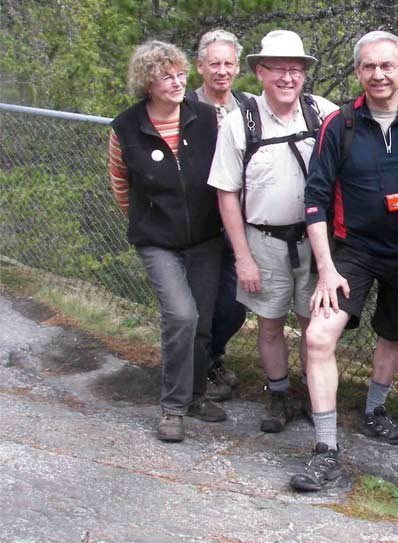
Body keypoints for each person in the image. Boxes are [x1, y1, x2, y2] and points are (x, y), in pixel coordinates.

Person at [290, 30, 398, 492]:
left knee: (391, 333)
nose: (378, 74)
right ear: (358, 72)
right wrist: (326, 268)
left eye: (387, 65)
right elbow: (314, 198)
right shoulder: (340, 126)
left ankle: (375, 411)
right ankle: (326, 450)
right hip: (351, 252)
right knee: (318, 336)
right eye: (369, 66)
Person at [207, 30, 338, 434]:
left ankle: (312, 396)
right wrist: (242, 255)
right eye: (278, 68)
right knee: (269, 323)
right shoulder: (238, 122)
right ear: (260, 71)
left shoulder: (324, 114)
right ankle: (279, 395)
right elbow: (227, 194)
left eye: (295, 69)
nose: (287, 77)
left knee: (311, 324)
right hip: (262, 241)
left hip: (315, 241)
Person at [108, 40, 226, 442]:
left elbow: (227, 175)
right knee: (180, 316)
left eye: (180, 75)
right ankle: (172, 408)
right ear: (148, 83)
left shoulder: (209, 118)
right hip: (158, 242)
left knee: (203, 323)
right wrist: (151, 222)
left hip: (207, 238)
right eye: (166, 77)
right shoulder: (126, 127)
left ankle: (196, 396)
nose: (177, 83)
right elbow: (120, 184)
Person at [188, 29, 251, 402]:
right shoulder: (185, 109)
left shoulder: (248, 106)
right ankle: (202, 370)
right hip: (198, 223)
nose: (222, 71)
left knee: (235, 305)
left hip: (240, 223)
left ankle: (213, 358)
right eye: (214, 63)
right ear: (200, 67)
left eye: (228, 63)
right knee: (200, 304)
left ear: (238, 66)